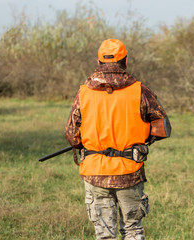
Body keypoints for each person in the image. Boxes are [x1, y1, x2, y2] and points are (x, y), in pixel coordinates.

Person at [65, 39, 171, 240]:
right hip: (129, 170)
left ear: (98, 61)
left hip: (94, 172)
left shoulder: (84, 92)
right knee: (132, 231)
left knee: (104, 235)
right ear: (126, 61)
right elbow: (162, 126)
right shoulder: (140, 90)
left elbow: (71, 134)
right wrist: (143, 139)